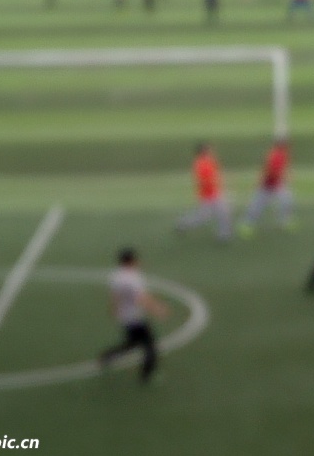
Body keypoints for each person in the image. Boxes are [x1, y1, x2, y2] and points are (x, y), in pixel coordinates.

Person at [99, 248, 168, 384]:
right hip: (135, 317)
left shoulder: (116, 275)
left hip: (125, 316)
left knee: (133, 343)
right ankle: (146, 375)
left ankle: (108, 356)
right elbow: (141, 298)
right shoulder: (134, 278)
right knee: (150, 346)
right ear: (131, 261)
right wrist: (157, 309)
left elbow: (115, 296)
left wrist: (114, 309)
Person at [238, 139, 295, 237]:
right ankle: (246, 224)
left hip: (277, 184)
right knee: (257, 206)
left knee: (287, 201)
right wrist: (283, 177)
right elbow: (271, 171)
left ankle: (284, 221)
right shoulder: (273, 156)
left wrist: (283, 176)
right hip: (267, 185)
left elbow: (281, 167)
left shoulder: (282, 154)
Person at [176, 143, 233, 240]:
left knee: (223, 213)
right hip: (208, 194)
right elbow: (203, 181)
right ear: (203, 152)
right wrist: (213, 184)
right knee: (203, 217)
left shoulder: (210, 160)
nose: (211, 151)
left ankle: (224, 235)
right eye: (208, 150)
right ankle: (183, 224)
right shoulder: (199, 164)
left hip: (215, 192)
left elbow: (216, 171)